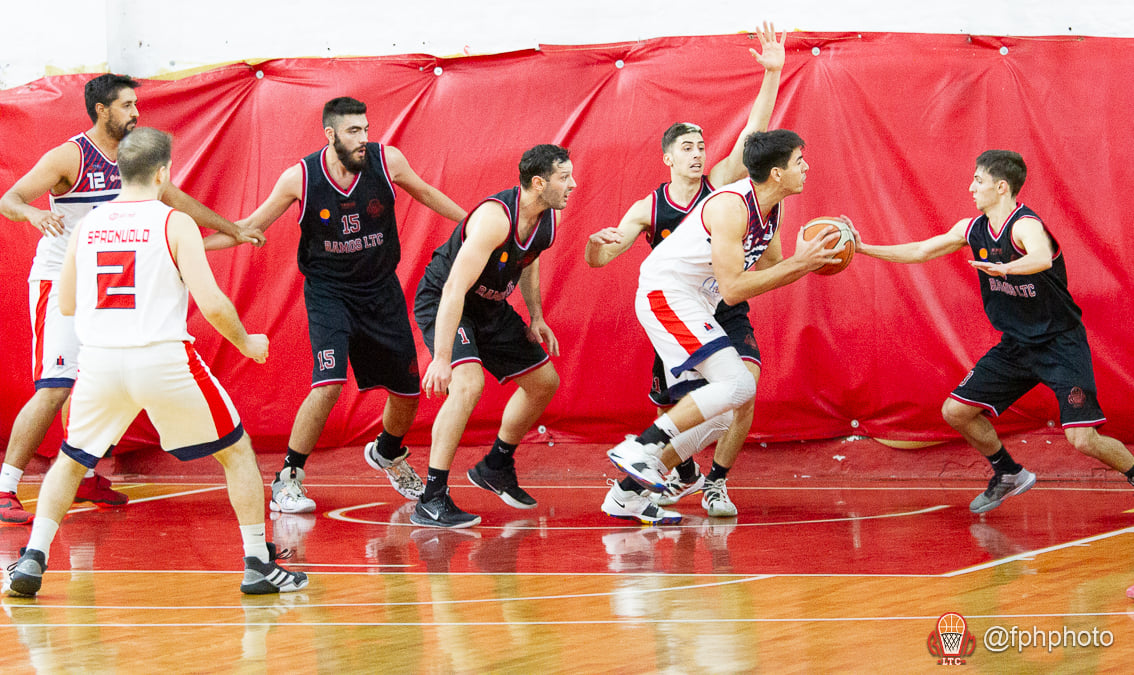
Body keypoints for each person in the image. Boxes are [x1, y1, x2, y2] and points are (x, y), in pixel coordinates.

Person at [4, 127, 305, 596]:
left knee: (69, 460)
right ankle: (257, 563)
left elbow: (64, 303)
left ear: (119, 171)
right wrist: (246, 342)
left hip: (100, 364)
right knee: (237, 452)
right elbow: (214, 304)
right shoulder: (174, 223)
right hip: (163, 360)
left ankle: (33, 559)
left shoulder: (85, 226)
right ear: (164, 173)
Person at [0, 73, 262, 524]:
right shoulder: (70, 155)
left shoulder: (132, 158)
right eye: (126, 105)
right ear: (102, 110)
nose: (136, 113)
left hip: (106, 283)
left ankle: (82, 477)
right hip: (60, 279)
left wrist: (233, 229)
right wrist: (34, 212)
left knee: (99, 378)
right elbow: (10, 197)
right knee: (55, 387)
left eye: (136, 104)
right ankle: (5, 487)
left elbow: (176, 198)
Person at [207, 97, 467, 514]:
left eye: (366, 129)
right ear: (330, 134)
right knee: (328, 383)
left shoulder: (388, 161)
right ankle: (288, 476)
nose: (364, 138)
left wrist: (478, 226)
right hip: (330, 293)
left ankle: (387, 451)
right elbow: (249, 228)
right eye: (353, 131)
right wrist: (185, 245)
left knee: (407, 392)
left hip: (380, 290)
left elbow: (428, 193)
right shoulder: (300, 177)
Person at [854, 150, 1134, 514]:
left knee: (1082, 439)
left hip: (1059, 343)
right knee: (955, 411)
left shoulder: (1024, 225)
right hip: (1016, 346)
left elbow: (1041, 258)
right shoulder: (971, 229)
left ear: (1002, 187)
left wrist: (1006, 270)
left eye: (978, 181)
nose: (971, 188)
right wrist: (862, 249)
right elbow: (922, 250)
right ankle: (1008, 473)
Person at [585, 22, 785, 522]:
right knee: (706, 402)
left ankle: (710, 482)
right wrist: (595, 247)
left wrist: (772, 75)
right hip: (675, 304)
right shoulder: (649, 207)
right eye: (688, 147)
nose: (699, 152)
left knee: (742, 389)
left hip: (724, 305)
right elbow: (605, 258)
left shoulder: (720, 186)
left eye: (701, 145)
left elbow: (752, 139)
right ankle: (642, 478)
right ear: (668, 157)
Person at [605, 129, 844, 521]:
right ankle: (641, 447)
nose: (807, 167)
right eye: (799, 161)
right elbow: (733, 290)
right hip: (666, 293)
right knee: (739, 384)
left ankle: (626, 494)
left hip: (696, 301)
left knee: (726, 409)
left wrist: (814, 257)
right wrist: (802, 264)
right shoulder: (732, 206)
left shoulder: (773, 208)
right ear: (778, 172)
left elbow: (773, 265)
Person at [412, 144, 575, 528]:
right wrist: (441, 356)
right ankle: (431, 498)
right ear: (539, 183)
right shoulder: (494, 219)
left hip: (490, 308)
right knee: (467, 385)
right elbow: (453, 289)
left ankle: (496, 465)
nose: (573, 184)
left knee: (543, 382)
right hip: (448, 301)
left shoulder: (547, 220)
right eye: (564, 177)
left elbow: (528, 261)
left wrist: (536, 315)